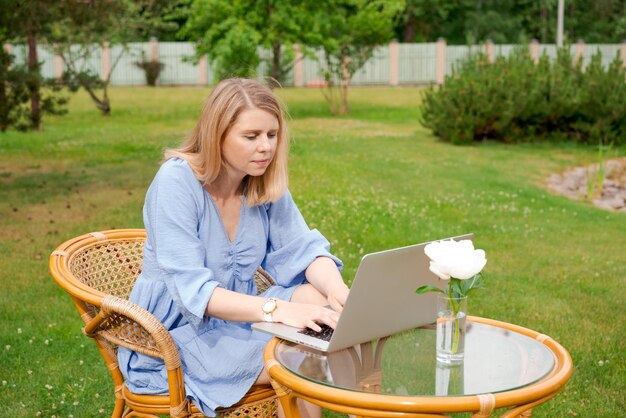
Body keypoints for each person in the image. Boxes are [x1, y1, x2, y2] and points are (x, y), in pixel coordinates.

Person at [118, 78, 349, 417]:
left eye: (272, 135)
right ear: (217, 135)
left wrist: (337, 289)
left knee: (323, 303)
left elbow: (303, 248)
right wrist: (278, 310)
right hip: (175, 337)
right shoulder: (176, 182)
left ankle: (372, 405)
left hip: (239, 319)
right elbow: (194, 293)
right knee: (301, 360)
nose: (266, 147)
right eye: (251, 136)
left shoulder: (261, 182)